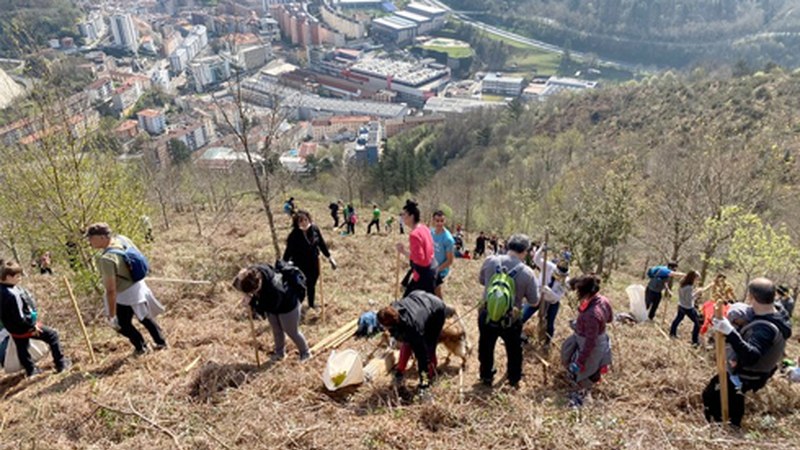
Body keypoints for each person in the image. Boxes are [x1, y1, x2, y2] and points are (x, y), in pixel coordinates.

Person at [703, 278, 792, 427]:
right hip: (761, 372)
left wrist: (729, 331)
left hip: (749, 374)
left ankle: (728, 428)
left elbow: (751, 356)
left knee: (713, 397)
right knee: (725, 393)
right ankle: (731, 422)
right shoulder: (780, 313)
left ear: (751, 297)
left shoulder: (764, 329)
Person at [86, 223, 167, 355]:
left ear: (101, 237)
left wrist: (111, 315)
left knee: (122, 324)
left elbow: (111, 290)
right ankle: (161, 343)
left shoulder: (107, 259)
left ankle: (142, 347)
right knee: (145, 317)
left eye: (91, 238)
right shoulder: (121, 239)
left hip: (125, 294)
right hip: (138, 285)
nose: (89, 242)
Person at [478, 234, 540, 388]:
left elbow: (481, 280)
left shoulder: (490, 260)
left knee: (486, 345)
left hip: (487, 313)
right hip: (511, 318)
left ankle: (486, 376)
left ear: (508, 246)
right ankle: (513, 378)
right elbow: (534, 301)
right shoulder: (527, 273)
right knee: (514, 350)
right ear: (525, 252)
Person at [0, 260, 70, 377]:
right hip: (24, 327)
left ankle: (31, 370)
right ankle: (61, 363)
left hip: (13, 329)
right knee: (52, 335)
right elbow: (20, 316)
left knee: (22, 348)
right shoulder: (13, 294)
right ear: (8, 277)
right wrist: (32, 326)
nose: (19, 279)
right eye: (17, 276)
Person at [233, 265, 311, 361]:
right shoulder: (256, 271)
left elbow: (266, 308)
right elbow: (240, 281)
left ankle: (305, 353)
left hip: (288, 305)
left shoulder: (274, 289)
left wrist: (252, 302)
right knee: (276, 329)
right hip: (274, 305)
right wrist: (242, 277)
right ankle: (280, 353)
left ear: (256, 287)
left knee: (291, 331)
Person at [377, 290, 447, 391]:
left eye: (385, 327)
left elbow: (422, 358)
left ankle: (428, 379)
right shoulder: (392, 308)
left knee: (428, 348)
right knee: (407, 341)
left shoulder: (414, 329)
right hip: (417, 297)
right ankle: (400, 371)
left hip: (436, 311)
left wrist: (424, 383)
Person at [561, 274, 613, 407]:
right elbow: (609, 319)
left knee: (585, 370)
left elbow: (590, 342)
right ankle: (580, 386)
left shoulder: (592, 314)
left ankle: (582, 394)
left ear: (584, 291)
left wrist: (580, 361)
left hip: (590, 345)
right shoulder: (602, 300)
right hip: (594, 338)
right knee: (567, 351)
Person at [283, 210, 336, 310]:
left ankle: (311, 305)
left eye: (305, 220)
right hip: (300, 264)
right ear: (297, 223)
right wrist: (284, 264)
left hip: (314, 263)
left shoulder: (314, 229)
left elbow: (322, 244)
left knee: (312, 284)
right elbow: (288, 251)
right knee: (300, 286)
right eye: (301, 221)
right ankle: (296, 307)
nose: (304, 223)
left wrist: (329, 257)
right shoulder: (294, 235)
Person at [524, 244, 569, 346]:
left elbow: (558, 297)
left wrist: (550, 292)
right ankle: (514, 335)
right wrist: (541, 250)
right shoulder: (548, 267)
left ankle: (547, 343)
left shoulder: (565, 281)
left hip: (552, 302)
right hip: (538, 297)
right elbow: (536, 260)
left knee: (550, 324)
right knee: (524, 315)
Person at [396, 200, 436, 297]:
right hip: (433, 268)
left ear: (411, 216)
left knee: (408, 303)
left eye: (404, 214)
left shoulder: (414, 235)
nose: (402, 217)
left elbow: (419, 259)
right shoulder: (424, 228)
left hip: (423, 274)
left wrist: (403, 251)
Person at [669, 270, 705, 346]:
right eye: (696, 279)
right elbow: (689, 299)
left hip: (681, 305)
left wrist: (694, 292)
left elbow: (686, 295)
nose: (697, 281)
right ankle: (695, 341)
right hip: (688, 307)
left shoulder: (682, 283)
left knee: (678, 319)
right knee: (697, 323)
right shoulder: (689, 287)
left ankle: (672, 333)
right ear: (693, 278)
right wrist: (697, 293)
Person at [430, 210, 455, 299]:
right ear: (433, 220)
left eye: (442, 221)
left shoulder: (448, 239)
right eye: (437, 221)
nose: (440, 223)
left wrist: (437, 270)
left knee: (436, 291)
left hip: (441, 270)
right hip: (431, 266)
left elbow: (450, 261)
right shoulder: (431, 233)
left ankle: (442, 309)